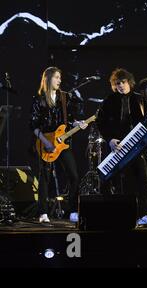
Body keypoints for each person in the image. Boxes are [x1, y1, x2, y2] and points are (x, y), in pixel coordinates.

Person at [96, 68, 147, 226]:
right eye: (117, 84)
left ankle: (144, 214)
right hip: (116, 147)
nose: (120, 86)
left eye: (123, 82)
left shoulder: (139, 99)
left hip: (135, 147)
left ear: (129, 82)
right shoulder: (109, 100)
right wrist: (109, 140)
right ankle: (116, 215)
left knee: (142, 178)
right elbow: (100, 122)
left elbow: (145, 124)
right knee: (112, 181)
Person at [30, 67, 87, 223]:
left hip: (63, 143)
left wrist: (78, 123)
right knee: (45, 177)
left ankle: (73, 210)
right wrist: (46, 142)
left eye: (60, 77)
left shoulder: (64, 97)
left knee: (74, 176)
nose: (59, 80)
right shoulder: (39, 98)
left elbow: (69, 119)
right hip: (45, 142)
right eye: (56, 77)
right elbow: (33, 125)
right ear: (48, 79)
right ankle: (43, 213)